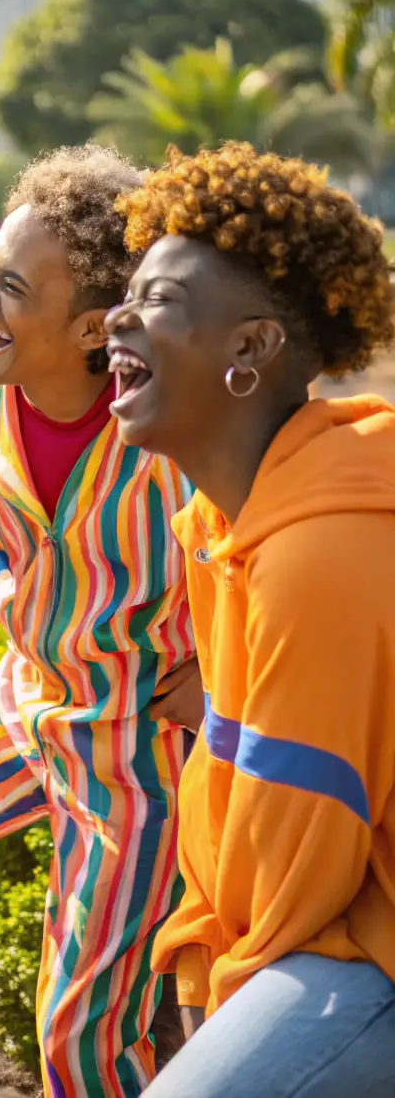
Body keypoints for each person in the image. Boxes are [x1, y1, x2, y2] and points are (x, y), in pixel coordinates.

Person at [0, 148, 202, 1098]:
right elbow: (2, 529)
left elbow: (266, 563)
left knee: (81, 1043)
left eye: (10, 284)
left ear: (95, 325)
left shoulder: (174, 432)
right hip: (26, 711)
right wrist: (27, 609)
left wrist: (218, 673)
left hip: (142, 758)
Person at [105, 142, 395, 1098]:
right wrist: (199, 952)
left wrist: (223, 992)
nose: (119, 315)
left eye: (159, 301)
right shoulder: (229, 527)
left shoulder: (323, 552)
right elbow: (230, 784)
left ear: (251, 347)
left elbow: (301, 849)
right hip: (338, 926)